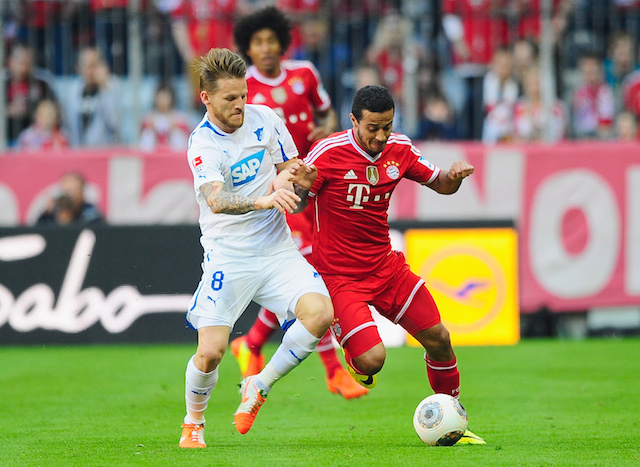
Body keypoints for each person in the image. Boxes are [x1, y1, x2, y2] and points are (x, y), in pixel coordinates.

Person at [304, 84, 484, 445]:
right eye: (373, 128)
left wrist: (456, 175)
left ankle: (452, 420)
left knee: (440, 340)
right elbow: (296, 206)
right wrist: (299, 185)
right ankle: (349, 346)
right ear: (353, 121)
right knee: (372, 361)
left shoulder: (399, 149)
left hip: (386, 268)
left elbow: (442, 185)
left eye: (387, 126)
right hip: (339, 278)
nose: (381, 135)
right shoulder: (327, 152)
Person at [178, 48, 333, 448]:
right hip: (229, 257)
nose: (240, 105)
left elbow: (290, 171)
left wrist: (301, 177)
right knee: (210, 352)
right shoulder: (203, 144)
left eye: (243, 95)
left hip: (277, 249)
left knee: (320, 314)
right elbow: (215, 199)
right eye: (230, 99)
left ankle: (258, 384)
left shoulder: (266, 118)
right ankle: (193, 422)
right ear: (206, 98)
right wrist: (263, 200)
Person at [228, 7, 367, 400]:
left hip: (313, 179)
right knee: (308, 273)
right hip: (278, 188)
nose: (266, 48)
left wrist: (324, 130)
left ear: (283, 44)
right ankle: (333, 370)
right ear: (248, 48)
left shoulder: (304, 73)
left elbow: (324, 113)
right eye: (258, 42)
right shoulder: (244, 86)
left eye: (272, 40)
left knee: (302, 273)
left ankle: (252, 343)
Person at [65, 46, 122, 147]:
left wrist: (104, 89)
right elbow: (69, 125)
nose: (91, 71)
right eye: (87, 66)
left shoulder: (112, 86)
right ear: (79, 68)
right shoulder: (73, 89)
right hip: (79, 152)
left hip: (104, 153)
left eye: (95, 66)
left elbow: (115, 122)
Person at [4, 43, 58, 146]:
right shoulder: (2, 84)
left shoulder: (41, 83)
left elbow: (54, 109)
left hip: (36, 141)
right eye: (21, 63)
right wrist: (7, 110)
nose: (24, 68)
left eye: (28, 63)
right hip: (5, 140)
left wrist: (36, 112)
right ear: (11, 62)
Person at [36, 172, 104, 226]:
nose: (68, 198)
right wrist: (46, 214)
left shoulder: (91, 215)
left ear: (81, 194)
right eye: (66, 192)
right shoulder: (49, 216)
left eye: (73, 192)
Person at [139, 83, 191, 152]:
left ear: (171, 98)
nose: (163, 100)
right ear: (156, 98)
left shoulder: (179, 117)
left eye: (165, 97)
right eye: (160, 97)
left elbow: (186, 131)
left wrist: (174, 126)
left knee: (177, 134)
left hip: (173, 149)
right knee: (148, 133)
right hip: (154, 148)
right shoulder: (149, 117)